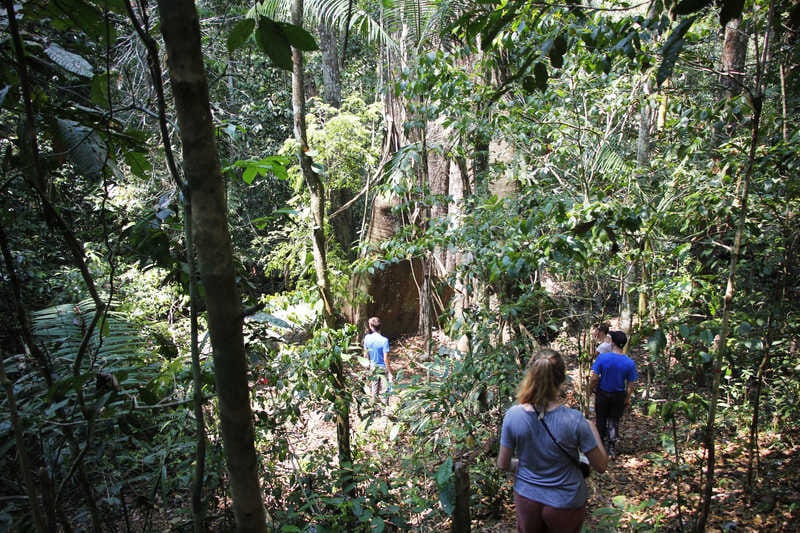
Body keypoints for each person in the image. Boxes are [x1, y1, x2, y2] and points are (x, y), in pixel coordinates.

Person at [497, 349, 608, 533]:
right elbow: (601, 465)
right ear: (562, 380)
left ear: (530, 375)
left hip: (527, 499)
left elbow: (503, 464)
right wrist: (594, 430)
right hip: (565, 501)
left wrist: (526, 465)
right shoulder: (575, 420)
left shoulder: (513, 415)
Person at [589, 330, 637, 458]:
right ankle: (611, 449)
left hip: (603, 394)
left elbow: (594, 378)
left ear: (613, 343)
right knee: (614, 421)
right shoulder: (629, 363)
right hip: (618, 395)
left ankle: (599, 448)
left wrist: (589, 390)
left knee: (601, 420)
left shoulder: (603, 358)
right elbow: (631, 384)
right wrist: (627, 399)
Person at [363, 316, 392, 398]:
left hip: (373, 366)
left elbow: (366, 354)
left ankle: (374, 408)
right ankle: (385, 409)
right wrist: (389, 371)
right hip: (383, 367)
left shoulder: (367, 338)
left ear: (371, 326)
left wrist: (367, 368)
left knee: (374, 389)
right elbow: (386, 358)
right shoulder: (384, 340)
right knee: (385, 390)